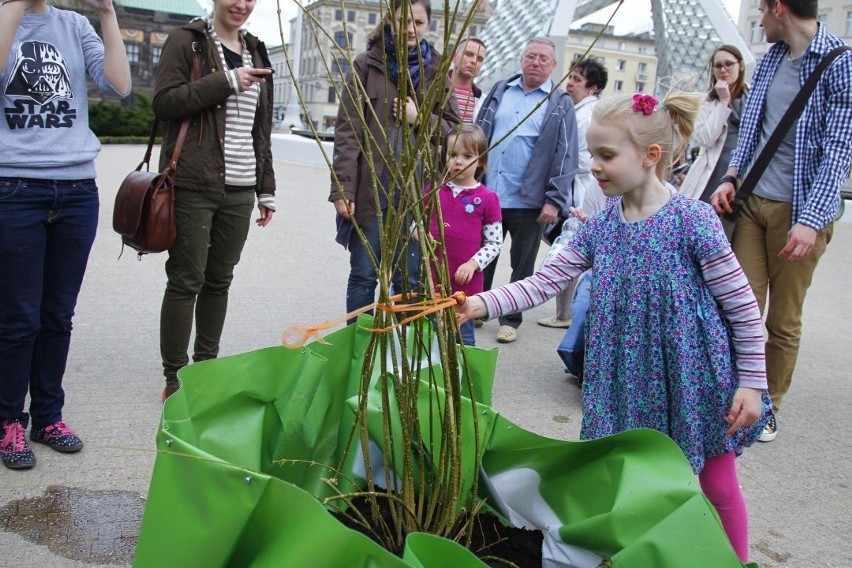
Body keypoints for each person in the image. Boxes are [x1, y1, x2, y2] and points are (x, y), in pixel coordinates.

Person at [458, 91, 772, 562]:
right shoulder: (599, 228)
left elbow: (743, 308)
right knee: (631, 478)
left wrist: (751, 381)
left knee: (716, 481)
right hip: (623, 381)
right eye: (593, 155)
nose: (596, 166)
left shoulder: (694, 221)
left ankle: (736, 560)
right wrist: (480, 303)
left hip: (691, 378)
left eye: (606, 155)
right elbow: (545, 281)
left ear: (650, 157)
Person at [710, 0, 852, 443]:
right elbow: (753, 127)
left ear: (777, 7)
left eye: (761, 10)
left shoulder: (840, 63)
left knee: (782, 321)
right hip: (753, 202)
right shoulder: (771, 58)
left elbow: (839, 152)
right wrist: (732, 176)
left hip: (801, 210)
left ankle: (768, 406)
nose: (759, 18)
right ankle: (733, 395)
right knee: (740, 306)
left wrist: (810, 219)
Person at [0, 0, 130, 469]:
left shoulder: (74, 25)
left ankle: (48, 415)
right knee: (18, 317)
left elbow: (119, 86)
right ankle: (8, 418)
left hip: (76, 188)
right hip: (14, 186)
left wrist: (108, 14)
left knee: (58, 315)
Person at [154, 0, 276, 401]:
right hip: (193, 181)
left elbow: (262, 128)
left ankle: (205, 368)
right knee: (186, 279)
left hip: (240, 188)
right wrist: (226, 82)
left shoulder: (257, 49)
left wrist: (266, 188)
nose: (241, 4)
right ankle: (175, 377)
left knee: (219, 281)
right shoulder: (187, 41)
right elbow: (165, 103)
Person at [330, 0, 460, 321]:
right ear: (390, 20)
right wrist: (342, 189)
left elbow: (455, 133)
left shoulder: (437, 72)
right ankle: (357, 348)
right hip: (372, 192)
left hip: (418, 194)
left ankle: (402, 355)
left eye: (418, 22)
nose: (411, 30)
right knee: (363, 275)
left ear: (427, 24)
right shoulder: (365, 66)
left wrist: (420, 119)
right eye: (404, 22)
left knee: (410, 280)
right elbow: (347, 133)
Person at [476, 36, 578, 343]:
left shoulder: (560, 103)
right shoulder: (501, 90)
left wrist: (554, 200)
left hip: (530, 200)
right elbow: (480, 134)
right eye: (531, 56)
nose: (536, 62)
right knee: (484, 255)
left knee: (523, 263)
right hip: (491, 192)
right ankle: (480, 308)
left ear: (554, 65)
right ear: (522, 59)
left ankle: (511, 318)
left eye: (543, 59)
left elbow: (566, 155)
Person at [538, 58, 608, 329]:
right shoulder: (579, 110)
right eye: (570, 77)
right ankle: (565, 311)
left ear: (592, 87)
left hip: (578, 191)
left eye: (578, 79)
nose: (570, 83)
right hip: (575, 188)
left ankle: (565, 313)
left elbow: (576, 157)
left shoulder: (585, 115)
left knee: (570, 250)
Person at [416, 124, 502, 346]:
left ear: (481, 160)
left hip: (465, 285)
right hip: (432, 278)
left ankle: (463, 379)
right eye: (453, 155)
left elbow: (494, 243)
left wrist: (472, 264)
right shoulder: (433, 190)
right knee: (431, 335)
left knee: (462, 338)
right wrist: (418, 233)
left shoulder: (487, 198)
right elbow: (417, 223)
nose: (458, 162)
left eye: (467, 156)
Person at [679, 45, 748, 202]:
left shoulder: (752, 99)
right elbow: (706, 139)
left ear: (741, 65)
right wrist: (723, 102)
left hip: (741, 175)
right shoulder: (706, 103)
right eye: (718, 66)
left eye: (729, 64)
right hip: (712, 173)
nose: (723, 70)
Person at [450, 37, 486, 123]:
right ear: (454, 57)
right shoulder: (432, 89)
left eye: (479, 59)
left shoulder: (483, 101)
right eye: (469, 54)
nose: (474, 61)